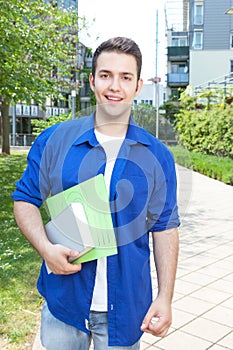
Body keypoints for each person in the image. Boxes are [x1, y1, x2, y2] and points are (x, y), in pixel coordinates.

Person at [12, 37, 180, 350]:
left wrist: (165, 297)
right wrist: (45, 248)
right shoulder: (54, 141)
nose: (114, 86)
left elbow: (165, 228)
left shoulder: (158, 156)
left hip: (127, 307)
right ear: (92, 81)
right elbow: (24, 200)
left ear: (138, 85)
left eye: (125, 77)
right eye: (105, 75)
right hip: (64, 302)